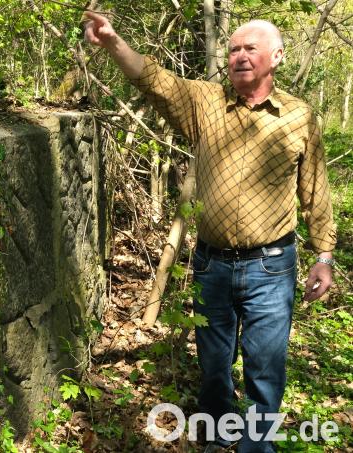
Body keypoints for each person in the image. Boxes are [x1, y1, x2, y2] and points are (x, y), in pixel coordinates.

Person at [84, 11, 336, 453]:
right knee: (215, 364)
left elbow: (315, 189)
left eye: (250, 48)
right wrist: (112, 42)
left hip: (272, 267)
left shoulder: (299, 117)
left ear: (275, 57)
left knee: (264, 367)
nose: (238, 56)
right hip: (212, 263)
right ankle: (218, 438)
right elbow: (155, 80)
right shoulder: (206, 102)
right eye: (234, 49)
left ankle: (257, 447)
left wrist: (324, 256)